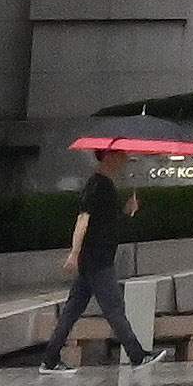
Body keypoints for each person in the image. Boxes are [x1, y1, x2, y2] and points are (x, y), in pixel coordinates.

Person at [42, 148, 147, 372]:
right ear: (108, 156)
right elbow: (83, 219)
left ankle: (50, 360)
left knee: (72, 311)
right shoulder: (98, 185)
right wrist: (74, 252)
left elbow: (106, 224)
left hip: (95, 258)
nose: (125, 159)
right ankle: (137, 355)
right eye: (121, 155)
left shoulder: (105, 185)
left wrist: (127, 211)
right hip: (97, 260)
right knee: (114, 308)